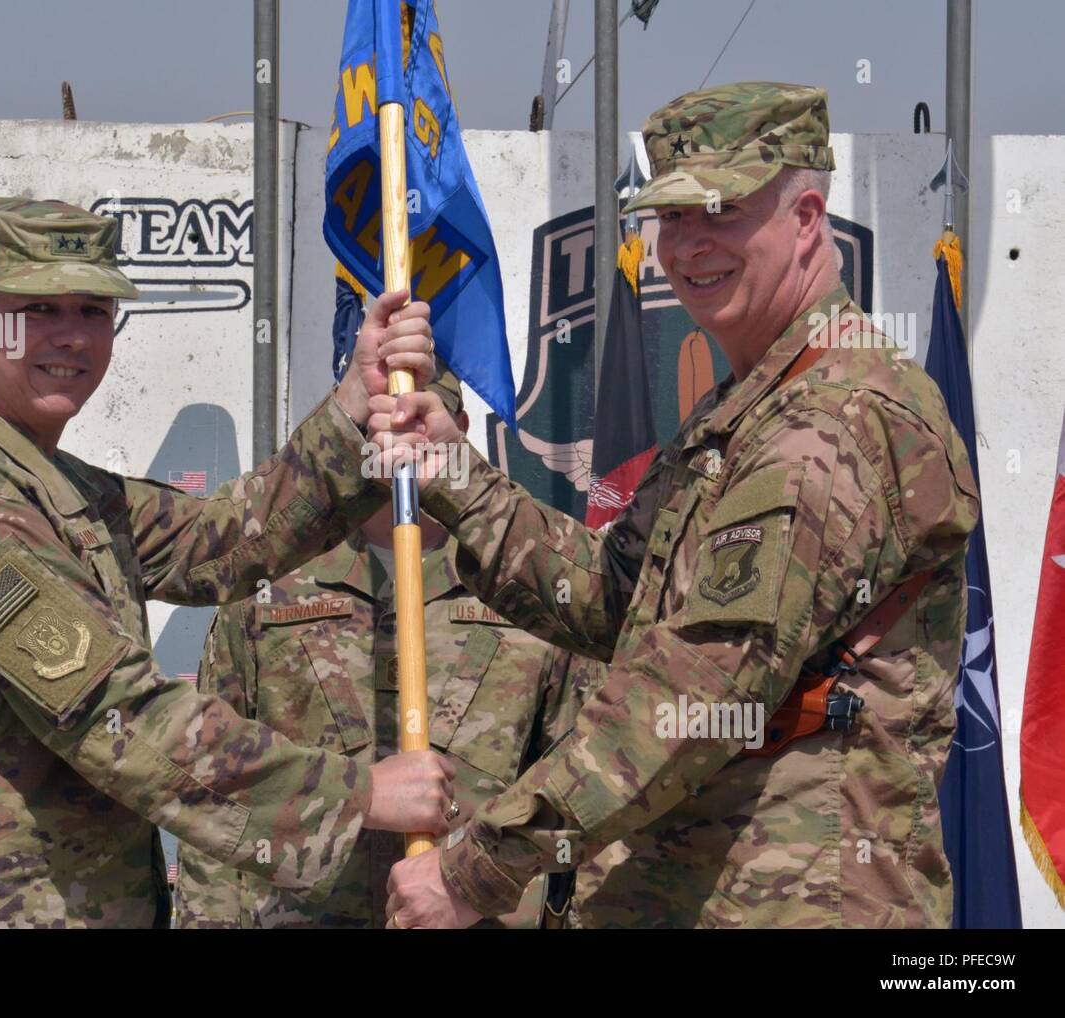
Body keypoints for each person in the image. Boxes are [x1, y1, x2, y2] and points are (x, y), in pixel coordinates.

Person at [376, 82, 980, 929]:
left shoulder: (833, 424)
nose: (689, 245)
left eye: (722, 211)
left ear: (807, 217)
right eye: (671, 217)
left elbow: (686, 705)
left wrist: (477, 872)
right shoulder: (752, 408)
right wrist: (451, 471)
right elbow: (608, 598)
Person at [0, 197, 449, 928]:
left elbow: (220, 543)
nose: (72, 336)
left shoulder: (48, 486)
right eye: (38, 310)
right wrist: (358, 795)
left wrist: (355, 403)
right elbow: (119, 721)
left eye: (94, 311)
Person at [171, 373, 603, 928]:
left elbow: (581, 790)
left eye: (417, 420)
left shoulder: (529, 581)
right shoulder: (272, 583)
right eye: (377, 424)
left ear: (459, 431)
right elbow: (214, 788)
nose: (395, 443)